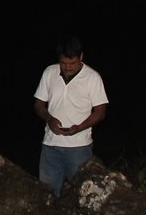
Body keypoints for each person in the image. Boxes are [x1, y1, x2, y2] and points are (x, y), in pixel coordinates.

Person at [33, 35, 108, 197]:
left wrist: (79, 127)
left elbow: (100, 111)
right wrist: (49, 119)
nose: (67, 67)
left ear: (81, 57)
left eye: (72, 63)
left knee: (81, 196)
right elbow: (39, 104)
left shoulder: (92, 77)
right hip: (50, 146)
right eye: (63, 63)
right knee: (47, 195)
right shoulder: (49, 72)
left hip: (79, 148)